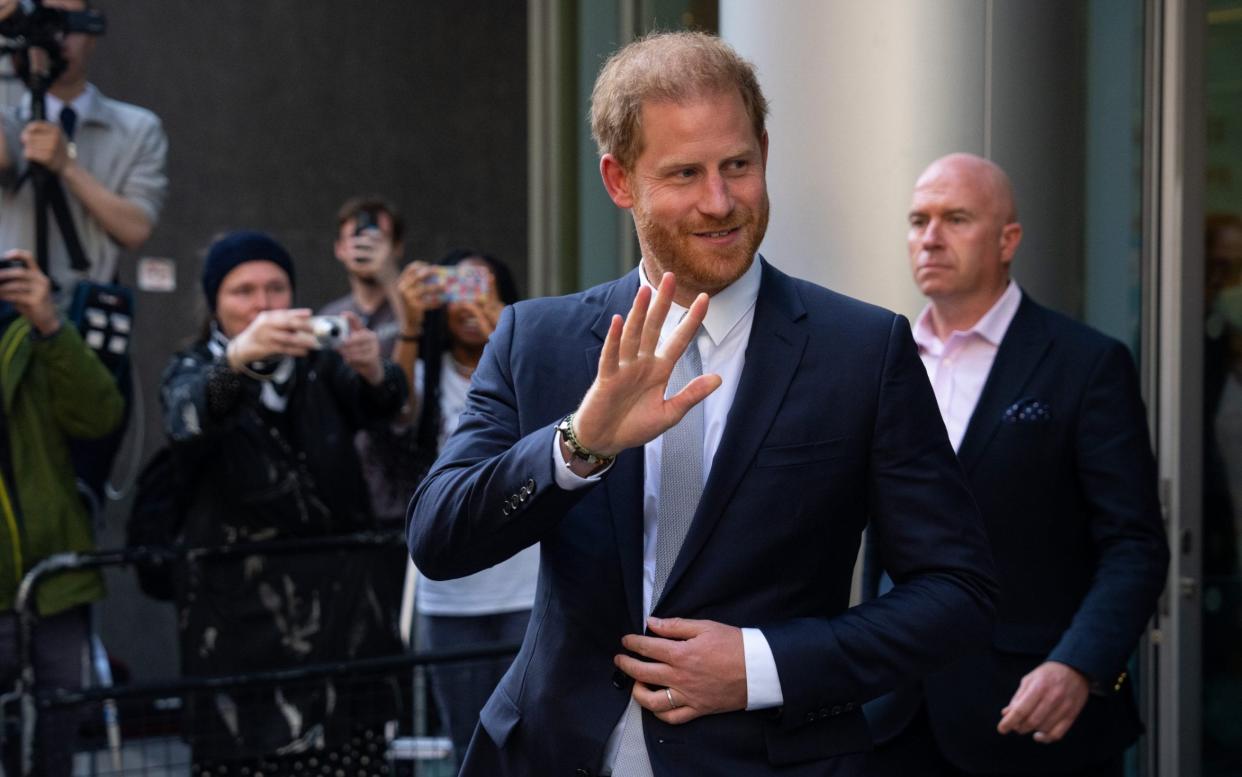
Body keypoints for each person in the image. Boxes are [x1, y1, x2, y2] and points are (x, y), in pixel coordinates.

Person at [408, 32, 997, 776]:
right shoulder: (538, 338)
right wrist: (578, 443)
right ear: (619, 181)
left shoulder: (863, 349)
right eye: (685, 172)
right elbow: (438, 536)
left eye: (738, 166)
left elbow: (958, 591)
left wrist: (761, 664)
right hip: (553, 755)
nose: (721, 202)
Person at [862, 153, 1170, 777]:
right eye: (918, 219)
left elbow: (1134, 545)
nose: (931, 237)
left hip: (1033, 716)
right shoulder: (877, 358)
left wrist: (1080, 663)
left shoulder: (1085, 364)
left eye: (956, 218)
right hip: (893, 716)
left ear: (1008, 240)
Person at [160, 231, 407, 773]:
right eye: (243, 291)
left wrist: (371, 367)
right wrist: (239, 359)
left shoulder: (317, 363)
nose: (263, 303)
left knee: (353, 760)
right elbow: (190, 415)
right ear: (215, 304)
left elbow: (385, 406)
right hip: (239, 637)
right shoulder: (193, 367)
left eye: (276, 287)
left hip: (344, 637)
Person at [396, 248, 538, 766]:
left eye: (480, 287)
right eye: (454, 287)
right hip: (450, 596)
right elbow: (394, 416)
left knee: (534, 745)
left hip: (528, 589)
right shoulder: (421, 375)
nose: (466, 301)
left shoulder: (526, 365)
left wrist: (510, 330)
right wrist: (408, 324)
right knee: (468, 747)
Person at [0, 248, 122, 777]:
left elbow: (100, 417)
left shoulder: (29, 332)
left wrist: (50, 324)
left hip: (51, 585)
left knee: (53, 755)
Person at [0, 0, 168, 293]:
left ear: (91, 33)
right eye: (46, 21)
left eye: (68, 23)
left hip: (87, 311)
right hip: (14, 310)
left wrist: (67, 166)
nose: (58, 37)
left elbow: (135, 229)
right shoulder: (10, 122)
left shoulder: (137, 129)